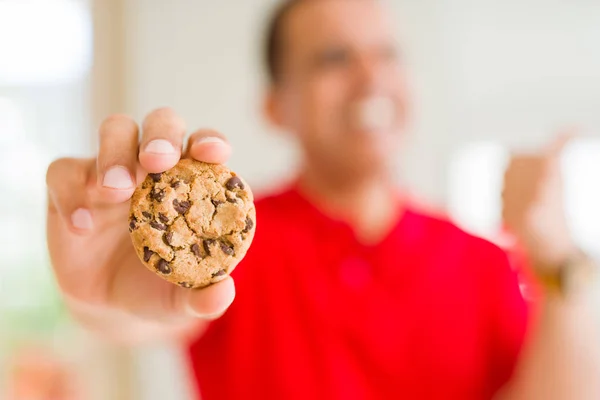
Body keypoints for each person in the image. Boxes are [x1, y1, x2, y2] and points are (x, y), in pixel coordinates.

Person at [45, 0, 599, 399]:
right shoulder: (235, 249)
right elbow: (141, 315)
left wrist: (556, 251)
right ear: (275, 107)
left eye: (387, 54)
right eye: (334, 58)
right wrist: (98, 299)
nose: (370, 78)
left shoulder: (481, 261)